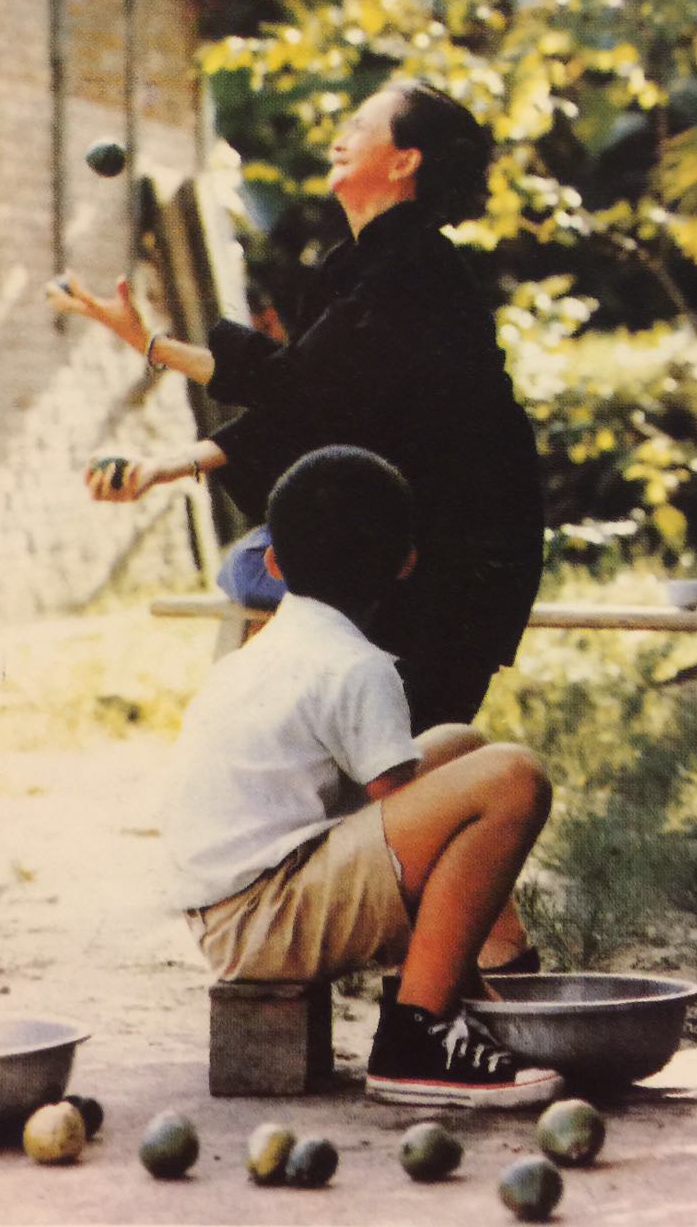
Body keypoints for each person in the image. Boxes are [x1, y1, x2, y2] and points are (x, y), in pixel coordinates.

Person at [47, 79, 544, 738]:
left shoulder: (415, 270)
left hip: (451, 564)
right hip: (403, 551)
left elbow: (297, 387)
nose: (340, 139)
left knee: (388, 761)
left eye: (361, 127)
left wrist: (154, 346)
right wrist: (161, 459)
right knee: (255, 574)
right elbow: (307, 407)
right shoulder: (360, 265)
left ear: (405, 161)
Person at [164, 445, 561, 1108]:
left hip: (228, 915)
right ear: (406, 563)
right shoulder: (357, 667)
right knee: (513, 779)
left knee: (460, 745)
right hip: (267, 923)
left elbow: (399, 811)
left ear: (272, 564)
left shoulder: (264, 652)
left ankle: (498, 978)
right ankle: (418, 1034)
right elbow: (416, 838)